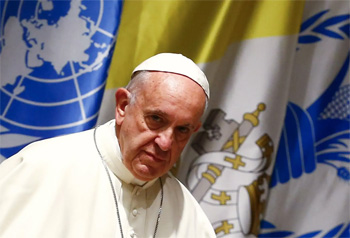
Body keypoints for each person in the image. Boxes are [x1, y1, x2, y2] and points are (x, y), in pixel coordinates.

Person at [0, 53, 216, 238]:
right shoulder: (40, 168)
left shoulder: (189, 217)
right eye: (156, 119)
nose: (165, 143)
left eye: (182, 130)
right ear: (123, 106)